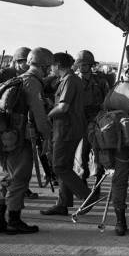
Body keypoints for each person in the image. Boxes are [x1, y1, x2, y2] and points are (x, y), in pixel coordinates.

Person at [0, 47, 53, 234]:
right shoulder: (32, 83)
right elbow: (39, 114)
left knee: (6, 178)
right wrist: (48, 136)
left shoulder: (17, 79)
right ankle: (14, 221)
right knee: (19, 179)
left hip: (6, 137)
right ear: (44, 66)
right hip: (19, 139)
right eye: (49, 66)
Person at [40, 53, 92, 216]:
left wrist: (47, 115)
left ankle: (87, 197)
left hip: (66, 130)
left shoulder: (69, 80)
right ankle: (63, 204)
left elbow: (63, 108)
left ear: (57, 65)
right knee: (65, 166)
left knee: (59, 166)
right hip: (69, 128)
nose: (50, 69)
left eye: (51, 66)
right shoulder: (69, 80)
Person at [0, 47, 39, 200]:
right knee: (10, 161)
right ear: (16, 62)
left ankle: (21, 188)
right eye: (23, 62)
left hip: (16, 123)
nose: (27, 65)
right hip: (5, 122)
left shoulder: (23, 76)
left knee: (17, 163)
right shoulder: (4, 74)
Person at [75, 50, 109, 198]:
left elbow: (107, 100)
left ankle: (97, 186)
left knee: (98, 153)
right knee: (81, 154)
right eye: (80, 64)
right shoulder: (73, 80)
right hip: (80, 121)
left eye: (86, 65)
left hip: (97, 120)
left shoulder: (100, 81)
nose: (83, 67)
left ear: (90, 65)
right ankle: (83, 185)